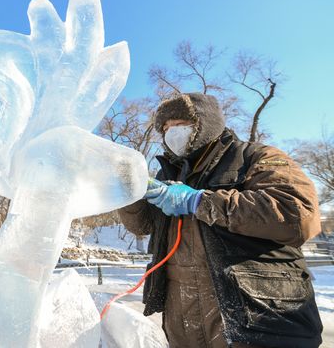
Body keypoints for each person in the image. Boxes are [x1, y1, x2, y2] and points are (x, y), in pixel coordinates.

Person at [118, 92, 323, 348]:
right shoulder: (168, 172)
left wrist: (200, 201)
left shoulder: (255, 156)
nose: (172, 133)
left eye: (180, 124)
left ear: (206, 122)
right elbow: (142, 225)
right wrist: (130, 193)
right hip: (184, 322)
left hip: (260, 318)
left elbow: (297, 214)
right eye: (166, 128)